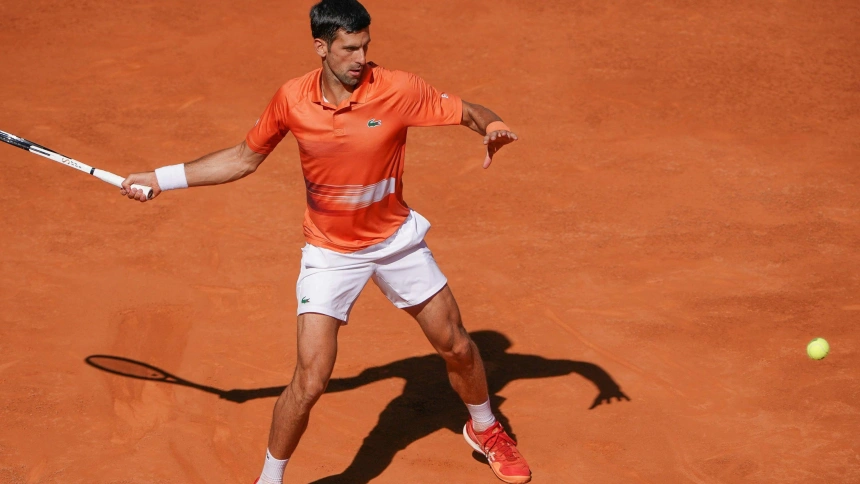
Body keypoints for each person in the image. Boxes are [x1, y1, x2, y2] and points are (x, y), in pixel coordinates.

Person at [121, 1, 529, 482]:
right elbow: (241, 159)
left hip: (396, 241)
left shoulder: (397, 89)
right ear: (321, 47)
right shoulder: (292, 99)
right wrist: (160, 178)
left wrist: (494, 125)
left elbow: (468, 111)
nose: (361, 58)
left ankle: (484, 427)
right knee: (311, 381)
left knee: (457, 346)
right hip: (330, 254)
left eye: (366, 46)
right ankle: (269, 479)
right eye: (350, 48)